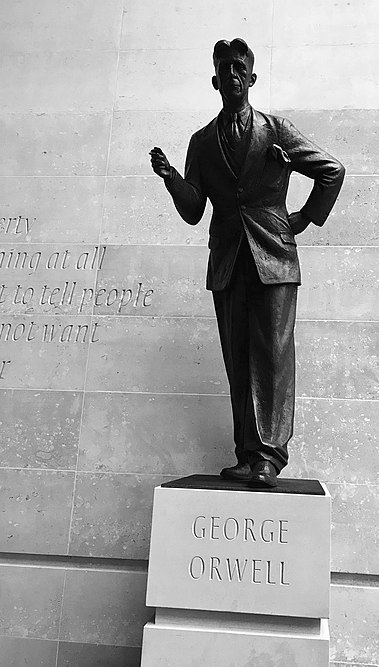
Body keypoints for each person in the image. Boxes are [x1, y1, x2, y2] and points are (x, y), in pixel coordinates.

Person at [150, 38, 345, 487]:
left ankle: (269, 458)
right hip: (228, 260)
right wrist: (172, 180)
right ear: (215, 80)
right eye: (225, 68)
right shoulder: (201, 142)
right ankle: (246, 454)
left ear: (251, 78)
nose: (233, 74)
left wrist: (303, 218)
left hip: (274, 256)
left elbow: (332, 171)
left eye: (240, 67)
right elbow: (194, 209)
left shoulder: (276, 130)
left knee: (272, 356)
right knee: (238, 358)